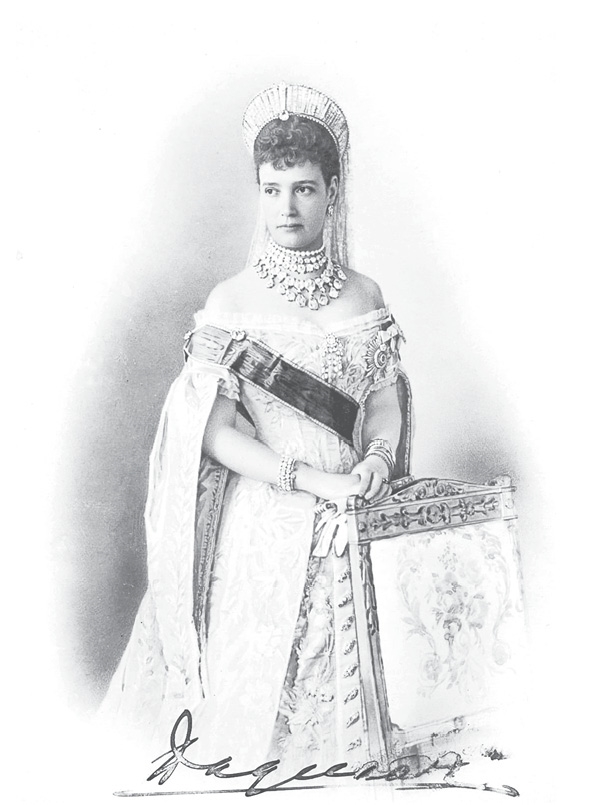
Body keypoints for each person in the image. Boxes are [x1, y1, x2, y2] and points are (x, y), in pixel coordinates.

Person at [98, 83, 412, 776]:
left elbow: (384, 394)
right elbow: (212, 434)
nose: (286, 208)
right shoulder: (231, 302)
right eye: (271, 190)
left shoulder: (365, 294)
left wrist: (377, 457)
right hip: (265, 522)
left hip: (353, 510)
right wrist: (312, 479)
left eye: (303, 189)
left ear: (332, 193)